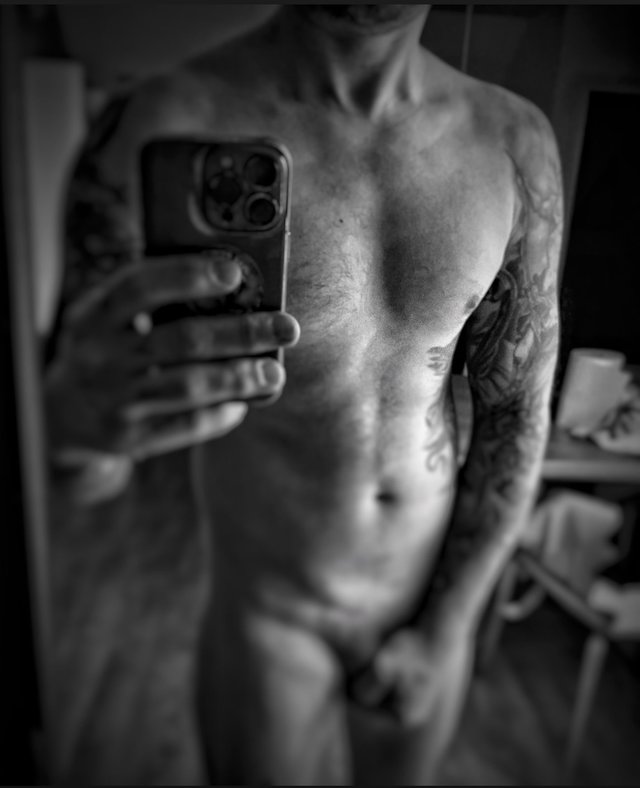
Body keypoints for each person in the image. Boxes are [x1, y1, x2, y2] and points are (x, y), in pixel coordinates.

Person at [45, 4, 563, 784]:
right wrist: (75, 427)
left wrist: (449, 626)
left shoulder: (513, 143)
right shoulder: (157, 124)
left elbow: (515, 414)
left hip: (427, 595)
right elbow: (86, 471)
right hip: (271, 618)